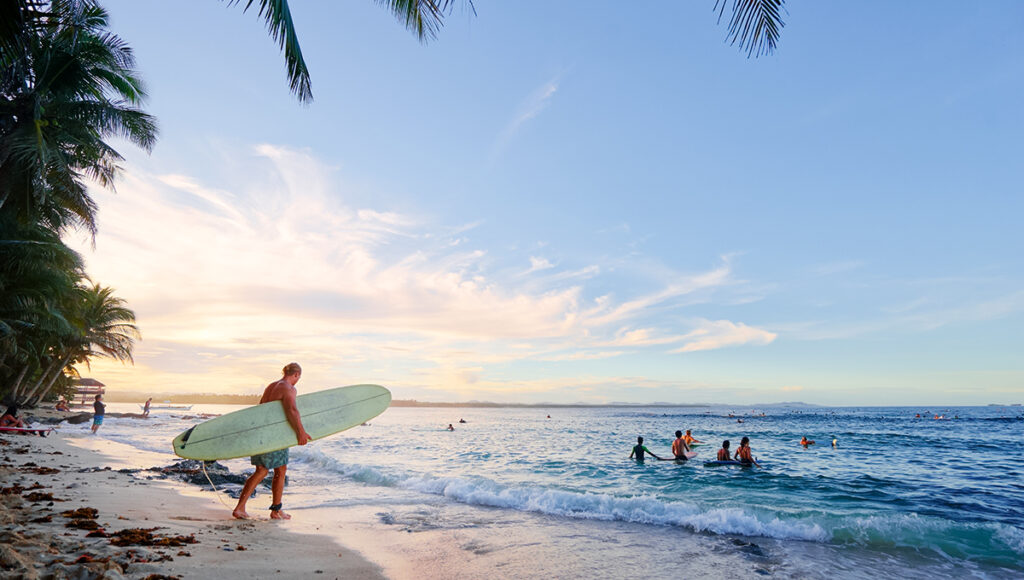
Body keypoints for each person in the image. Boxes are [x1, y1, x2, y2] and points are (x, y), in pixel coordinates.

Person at [232, 363, 312, 520]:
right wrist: (301, 432)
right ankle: (240, 508)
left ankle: (276, 509)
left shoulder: (271, 386)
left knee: (280, 470)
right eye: (299, 378)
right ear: (296, 375)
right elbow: (292, 410)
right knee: (262, 470)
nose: (298, 381)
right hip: (273, 436)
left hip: (263, 432)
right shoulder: (289, 388)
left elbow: (261, 408)